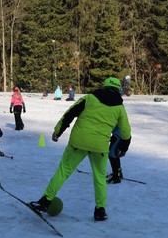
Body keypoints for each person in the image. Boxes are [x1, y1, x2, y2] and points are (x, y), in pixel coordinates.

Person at [30, 77, 131, 221]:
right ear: (118, 90)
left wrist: (58, 131)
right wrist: (123, 148)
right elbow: (126, 131)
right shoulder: (119, 107)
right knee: (100, 178)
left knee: (64, 171)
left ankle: (45, 201)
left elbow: (70, 114)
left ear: (104, 86)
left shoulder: (89, 98)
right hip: (99, 146)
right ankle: (100, 211)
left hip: (78, 142)